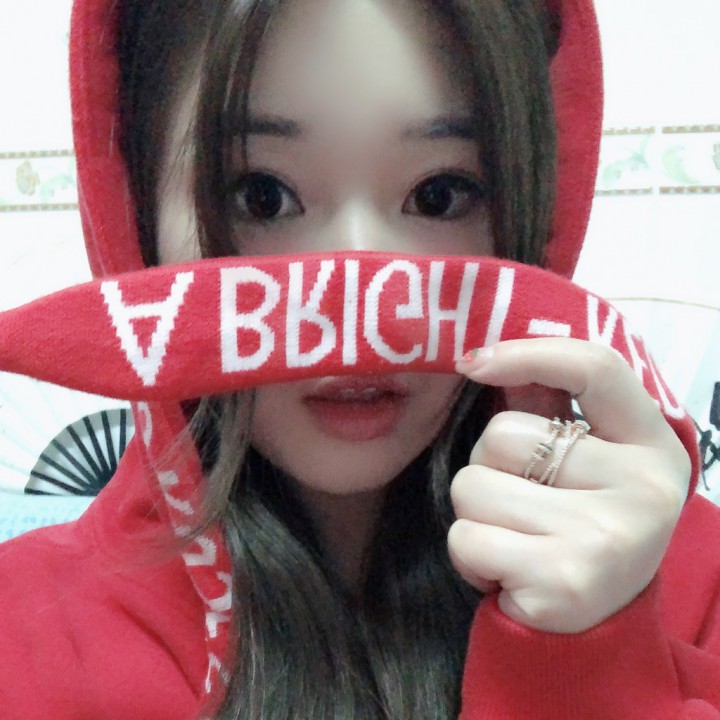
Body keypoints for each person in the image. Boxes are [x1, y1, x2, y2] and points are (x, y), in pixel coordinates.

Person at [1, 0, 720, 718]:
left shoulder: (693, 582)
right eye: (262, 197)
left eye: (439, 196)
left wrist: (588, 660)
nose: (366, 310)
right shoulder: (25, 634)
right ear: (137, 223)